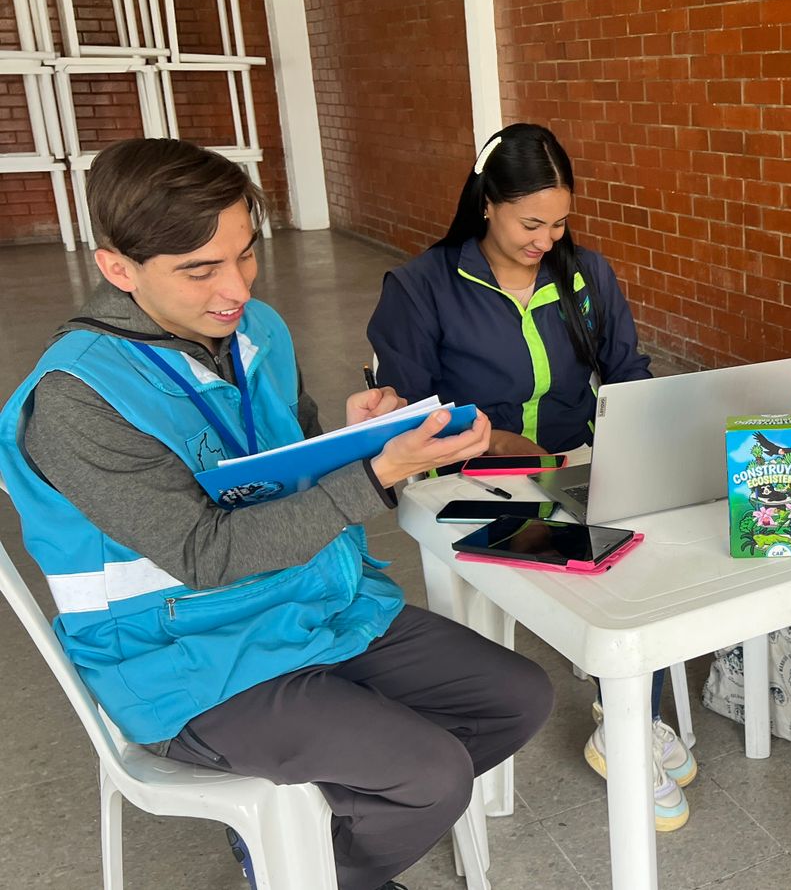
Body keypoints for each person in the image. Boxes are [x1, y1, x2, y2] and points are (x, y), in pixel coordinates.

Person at [0, 138, 554, 890]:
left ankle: (313, 851)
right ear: (117, 269)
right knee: (432, 776)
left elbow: (279, 462)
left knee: (516, 699)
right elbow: (207, 554)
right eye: (200, 270)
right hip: (187, 659)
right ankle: (309, 873)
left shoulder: (256, 330)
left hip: (308, 600)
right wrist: (374, 475)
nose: (235, 288)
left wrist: (359, 437)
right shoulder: (75, 403)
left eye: (246, 254)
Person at [364, 123, 693, 831]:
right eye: (530, 222)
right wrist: (505, 444)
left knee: (657, 543)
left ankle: (631, 714)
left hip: (573, 471)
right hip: (471, 486)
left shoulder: (586, 275)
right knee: (609, 556)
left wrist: (647, 441)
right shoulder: (422, 289)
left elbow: (629, 379)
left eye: (561, 221)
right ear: (487, 203)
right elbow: (410, 423)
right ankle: (633, 724)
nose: (547, 239)